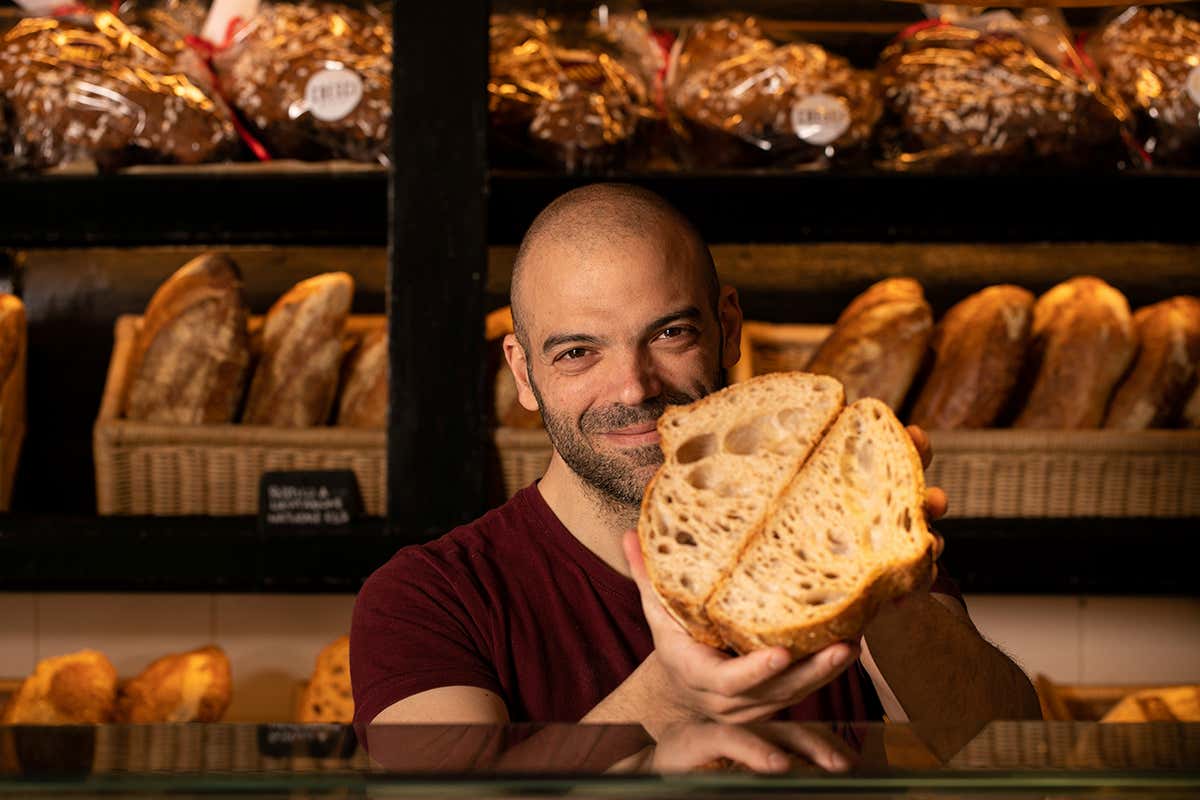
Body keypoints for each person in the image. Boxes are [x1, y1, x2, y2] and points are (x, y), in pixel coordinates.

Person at [350, 183, 1042, 754]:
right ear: (522, 372)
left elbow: (1010, 760)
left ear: (728, 329)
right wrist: (676, 695)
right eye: (576, 353)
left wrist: (888, 586)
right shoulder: (429, 597)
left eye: (669, 333)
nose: (633, 387)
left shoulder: (836, 540)